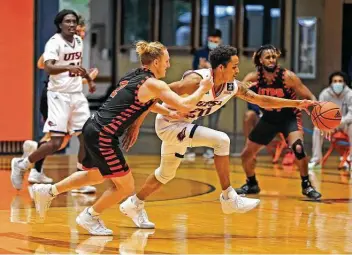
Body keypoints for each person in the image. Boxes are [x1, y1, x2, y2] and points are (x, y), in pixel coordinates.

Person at [119, 45, 315, 229]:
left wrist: (298, 104)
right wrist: (135, 124)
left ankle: (134, 203)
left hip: (183, 125)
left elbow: (261, 100)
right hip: (168, 124)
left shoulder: (232, 86)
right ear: (221, 68)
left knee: (165, 174)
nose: (238, 71)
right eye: (234, 66)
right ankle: (228, 197)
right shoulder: (195, 81)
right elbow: (153, 94)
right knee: (222, 140)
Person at [31, 40, 214, 235]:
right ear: (155, 63)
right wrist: (203, 88)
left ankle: (47, 191)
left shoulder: (134, 76)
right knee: (126, 187)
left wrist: (168, 113)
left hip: (93, 127)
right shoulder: (155, 84)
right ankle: (90, 216)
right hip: (103, 135)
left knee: (95, 175)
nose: (168, 65)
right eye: (166, 61)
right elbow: (184, 105)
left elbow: (147, 103)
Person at [11, 9, 96, 192]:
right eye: (69, 22)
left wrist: (87, 80)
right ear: (60, 25)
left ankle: (79, 180)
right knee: (57, 142)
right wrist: (69, 69)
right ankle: (25, 164)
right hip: (57, 95)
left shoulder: (79, 42)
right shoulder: (54, 43)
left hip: (76, 95)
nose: (75, 27)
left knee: (87, 138)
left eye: (75, 23)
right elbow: (46, 66)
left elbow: (75, 69)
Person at [234, 44, 321, 200]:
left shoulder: (288, 77)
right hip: (269, 118)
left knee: (299, 148)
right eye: (268, 57)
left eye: (274, 56)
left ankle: (306, 185)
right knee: (246, 155)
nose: (272, 59)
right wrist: (238, 88)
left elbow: (309, 96)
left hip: (290, 117)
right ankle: (252, 183)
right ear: (260, 60)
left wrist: (317, 111)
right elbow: (238, 90)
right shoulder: (254, 78)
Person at [186, 29, 223, 159]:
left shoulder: (222, 55)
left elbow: (221, 74)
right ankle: (191, 150)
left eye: (216, 41)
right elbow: (195, 71)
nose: (213, 43)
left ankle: (210, 150)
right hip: (200, 94)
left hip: (216, 93)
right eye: (211, 40)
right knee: (196, 122)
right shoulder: (200, 53)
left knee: (213, 125)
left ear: (220, 41)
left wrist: (207, 66)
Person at [309, 71, 352, 169]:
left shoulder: (350, 94)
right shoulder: (325, 94)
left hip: (345, 123)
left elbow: (351, 114)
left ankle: (350, 159)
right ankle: (316, 160)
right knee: (317, 129)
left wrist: (339, 122)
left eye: (340, 81)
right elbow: (320, 113)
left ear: (344, 83)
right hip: (329, 124)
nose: (338, 83)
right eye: (335, 81)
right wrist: (329, 124)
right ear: (331, 83)